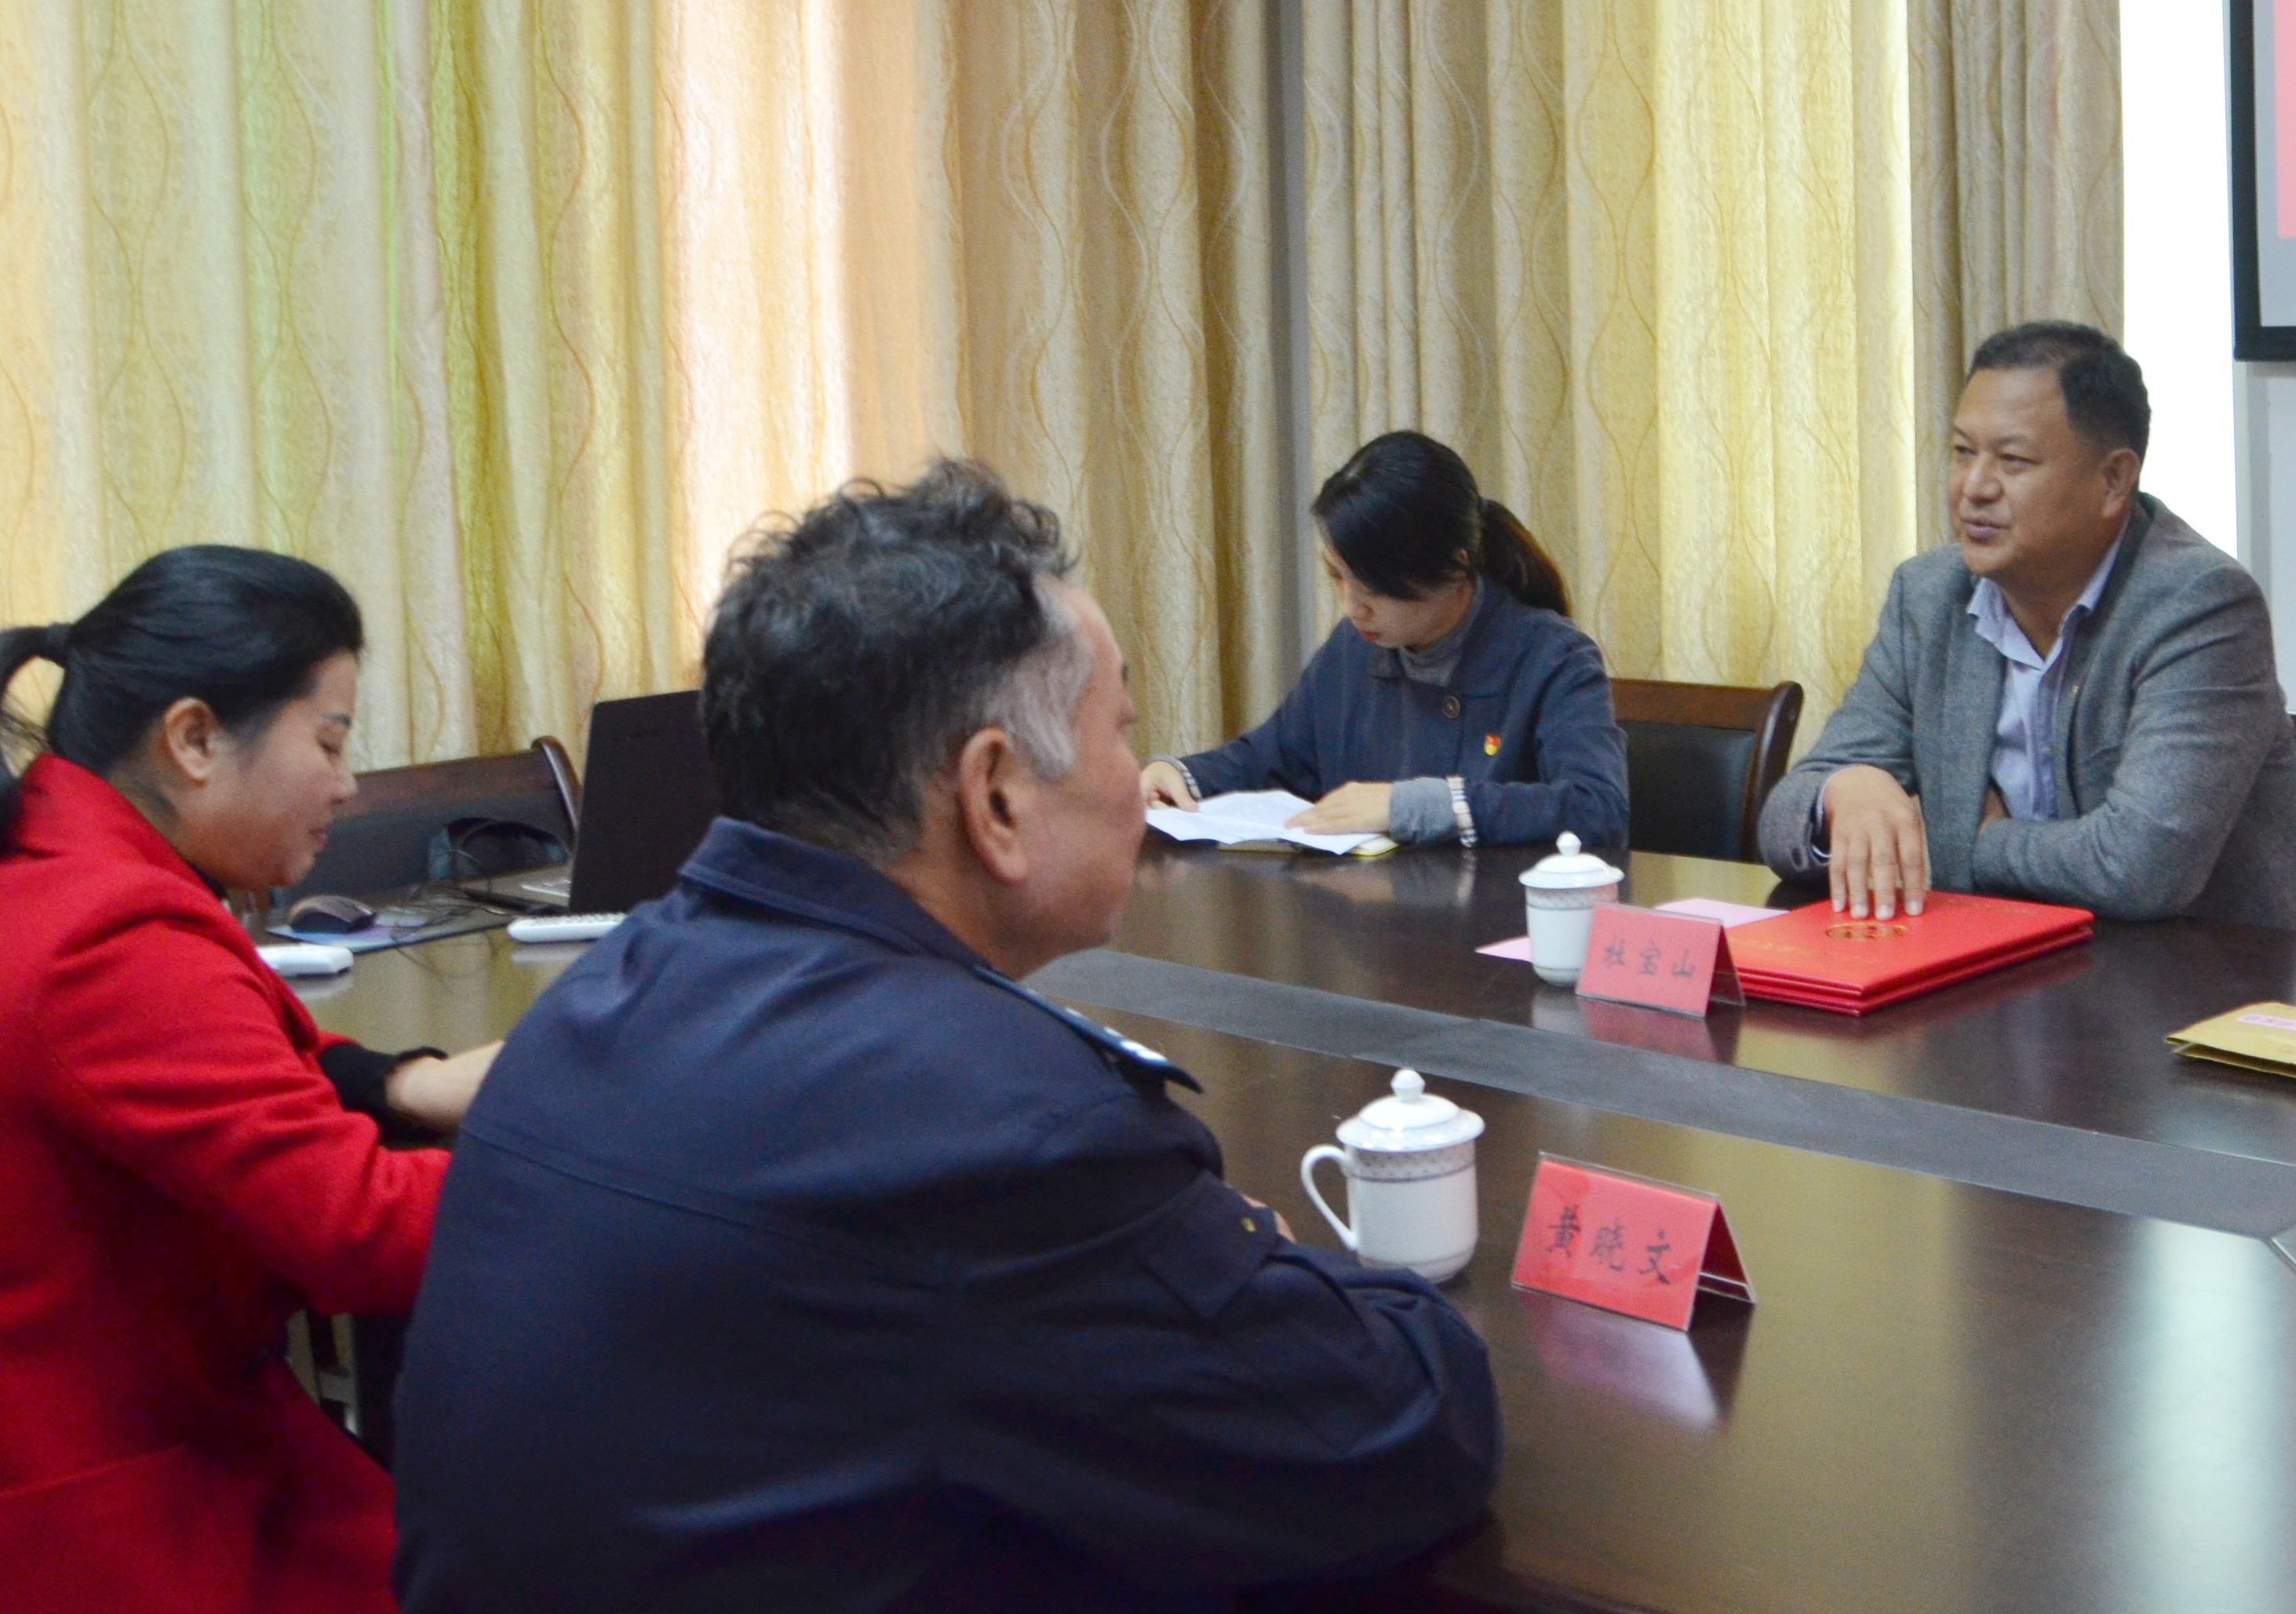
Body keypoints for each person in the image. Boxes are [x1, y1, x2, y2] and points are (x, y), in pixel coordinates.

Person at [393, 463, 1499, 1611]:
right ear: (996, 796)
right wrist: (1268, 1252)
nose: (1137, 785)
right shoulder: (1005, 1130)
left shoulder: (591, 1001)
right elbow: (1405, 1433)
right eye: (1121, 733)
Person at [0, 548, 493, 1614]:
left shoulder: (63, 862)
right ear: (193, 739)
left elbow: (244, 1062)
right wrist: (606, 1153)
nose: (347, 784)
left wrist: (406, 1086)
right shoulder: (107, 935)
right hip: (122, 1508)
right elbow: (359, 1231)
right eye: (330, 741)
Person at [1755, 321, 2296, 927]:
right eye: (1963, 452)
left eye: (2013, 460)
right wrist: (1844, 793)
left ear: (2113, 479)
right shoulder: (1928, 597)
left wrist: (1972, 842)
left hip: (2203, 974)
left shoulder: (2199, 605)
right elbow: (1781, 821)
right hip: (2001, 961)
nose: (1974, 488)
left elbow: (2140, 869)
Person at [1143, 432, 1627, 853]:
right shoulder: (1353, 649)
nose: (1353, 607)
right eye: (1337, 577)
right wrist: (1183, 778)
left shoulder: (1552, 656)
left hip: (1497, 921)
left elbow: (1597, 809)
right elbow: (1272, 757)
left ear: (1455, 566)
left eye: (1374, 585)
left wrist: (1413, 805)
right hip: (1369, 918)